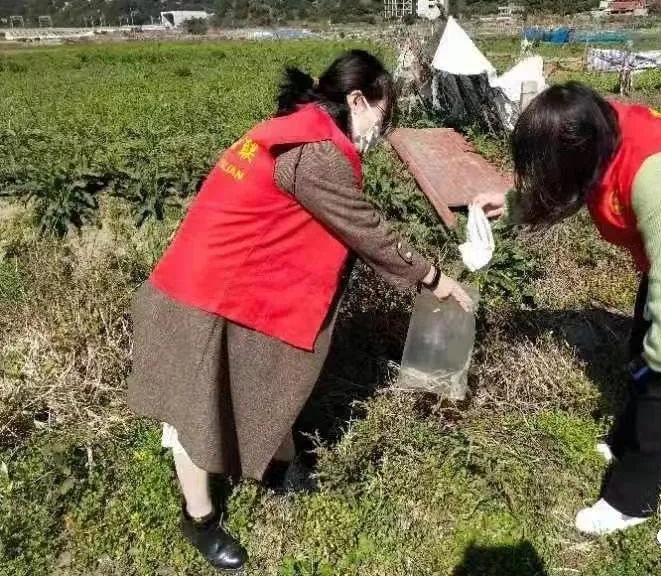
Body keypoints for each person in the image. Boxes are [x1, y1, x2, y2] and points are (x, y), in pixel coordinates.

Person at [128, 50, 473, 572]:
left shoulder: (294, 127)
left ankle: (279, 466)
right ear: (358, 100)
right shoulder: (316, 155)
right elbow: (366, 230)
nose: (383, 128)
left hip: (230, 281)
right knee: (197, 411)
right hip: (202, 295)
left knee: (269, 375)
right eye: (385, 113)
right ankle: (198, 521)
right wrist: (433, 277)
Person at [474, 82, 661, 536]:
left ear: (579, 150)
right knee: (643, 349)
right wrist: (514, 204)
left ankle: (632, 499)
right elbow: (571, 184)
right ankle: (623, 439)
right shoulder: (596, 127)